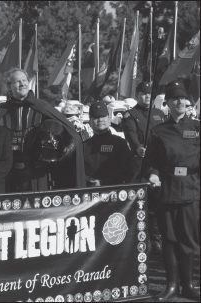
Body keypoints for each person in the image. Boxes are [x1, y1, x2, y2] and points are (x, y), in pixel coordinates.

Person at [143, 80, 200, 301]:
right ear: (167, 103)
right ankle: (172, 287)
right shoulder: (158, 131)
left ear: (186, 101)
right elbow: (150, 161)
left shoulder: (196, 127)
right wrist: (153, 173)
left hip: (190, 188)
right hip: (166, 188)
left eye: (182, 98)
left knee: (187, 239)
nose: (179, 101)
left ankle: (189, 286)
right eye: (174, 98)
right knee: (169, 238)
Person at [0, 68, 85, 191]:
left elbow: (72, 134)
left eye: (24, 80)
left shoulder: (42, 107)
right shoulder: (0, 112)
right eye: (17, 81)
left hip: (37, 176)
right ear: (10, 86)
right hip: (8, 176)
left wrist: (62, 153)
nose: (22, 84)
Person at [122, 81, 165, 254]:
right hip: (140, 165)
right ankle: (138, 239)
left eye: (150, 93)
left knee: (156, 205)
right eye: (144, 93)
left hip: (159, 165)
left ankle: (156, 240)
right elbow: (131, 135)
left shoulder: (159, 113)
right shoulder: (130, 115)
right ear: (137, 95)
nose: (147, 96)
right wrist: (138, 146)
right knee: (140, 204)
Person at [83, 102, 131, 186]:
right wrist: (91, 181)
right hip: (89, 193)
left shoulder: (120, 143)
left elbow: (126, 169)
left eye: (103, 116)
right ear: (90, 120)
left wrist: (103, 183)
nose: (100, 120)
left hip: (115, 193)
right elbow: (78, 170)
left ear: (109, 119)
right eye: (96, 117)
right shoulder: (83, 146)